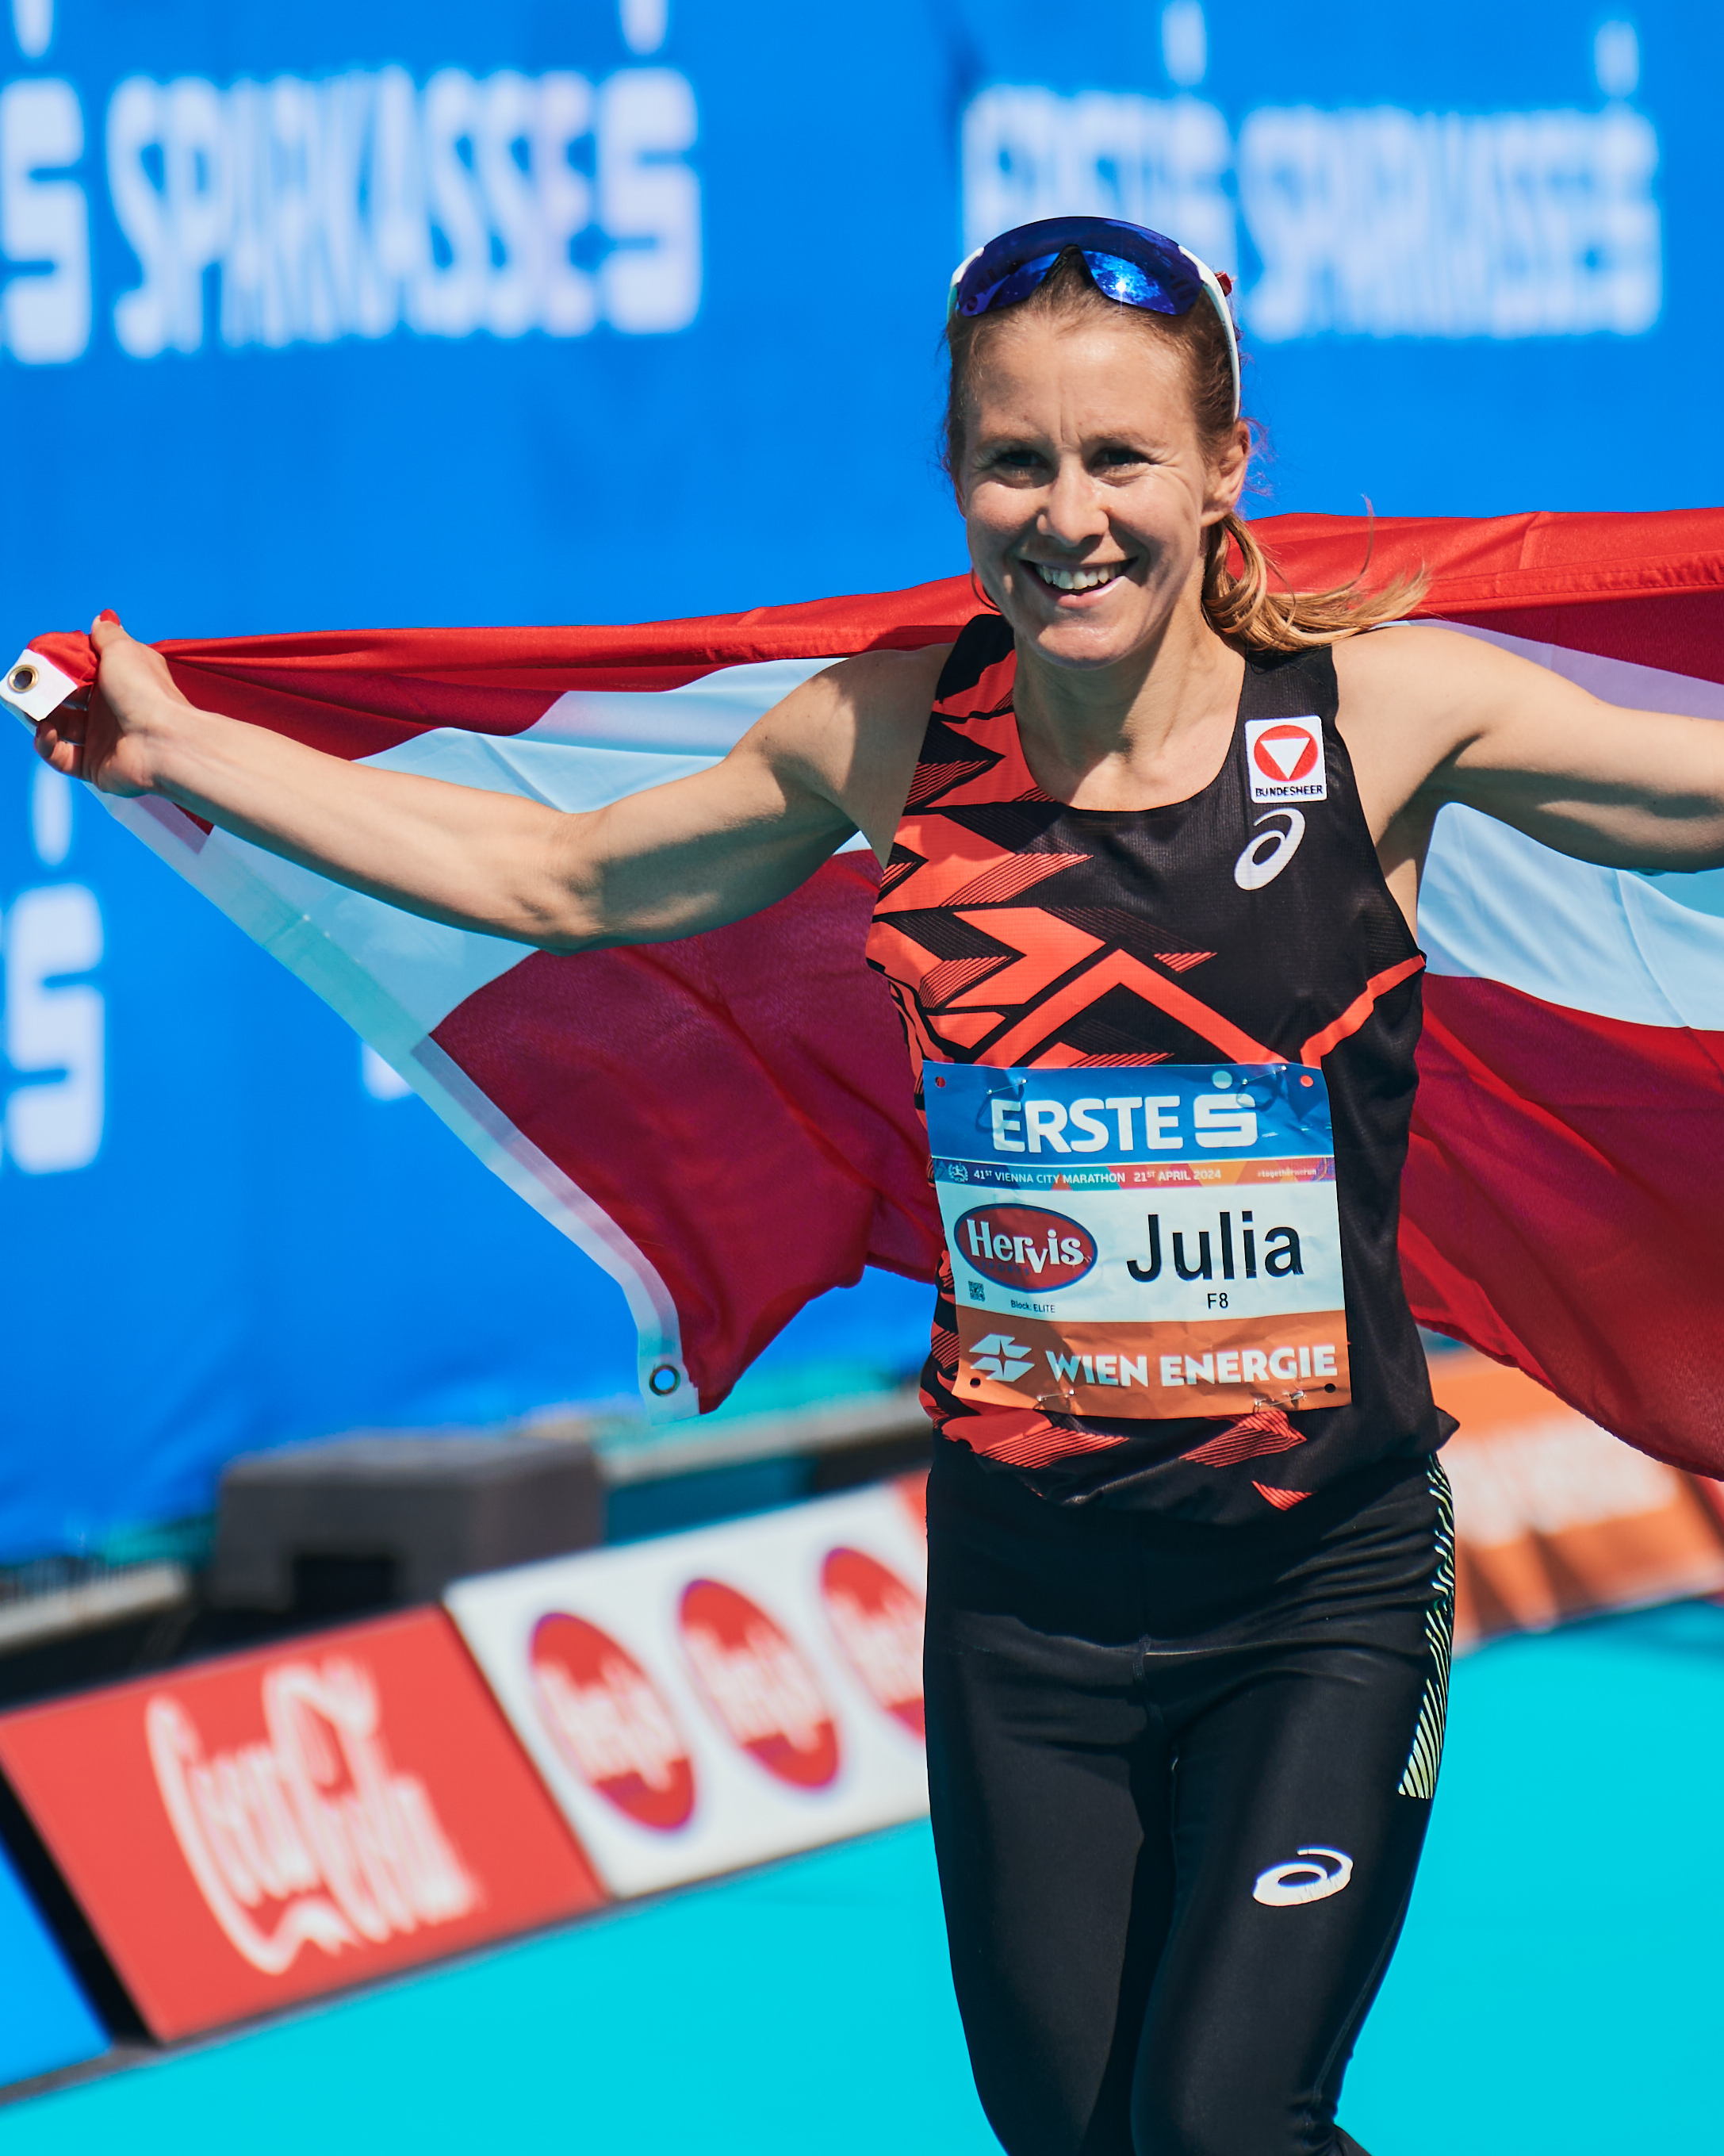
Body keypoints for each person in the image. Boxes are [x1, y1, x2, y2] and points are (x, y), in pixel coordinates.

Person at [39, 217, 1724, 2154]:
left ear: (1222, 472)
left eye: (1120, 463)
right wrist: (183, 748)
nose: (1068, 516)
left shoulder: (1384, 721)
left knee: (1218, 2127)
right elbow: (562, 884)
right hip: (1028, 1611)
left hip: (1318, 1583)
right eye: (1018, 462)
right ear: (955, 477)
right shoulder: (882, 737)